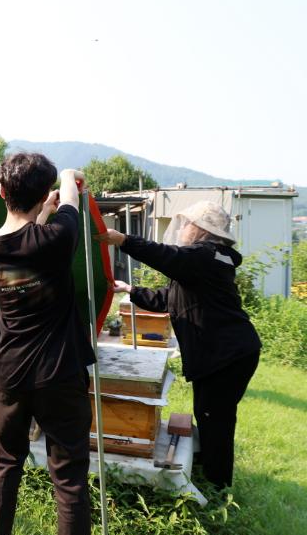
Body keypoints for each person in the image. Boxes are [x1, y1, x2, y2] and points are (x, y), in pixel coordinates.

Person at [0, 153, 93, 535]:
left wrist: (42, 206)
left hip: (10, 372)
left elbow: (24, 238)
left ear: (1, 193)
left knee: (7, 460)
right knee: (70, 475)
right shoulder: (56, 240)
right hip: (60, 372)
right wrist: (67, 181)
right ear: (44, 197)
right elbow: (70, 203)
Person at [98, 200, 261, 489]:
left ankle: (218, 485)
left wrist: (124, 240)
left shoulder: (206, 256)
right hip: (228, 352)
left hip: (226, 355)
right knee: (210, 414)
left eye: (188, 224)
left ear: (201, 230)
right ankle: (210, 471)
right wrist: (132, 290)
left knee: (216, 420)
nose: (183, 229)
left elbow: (167, 256)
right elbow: (170, 299)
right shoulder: (209, 261)